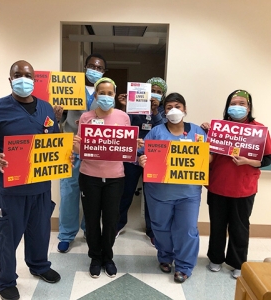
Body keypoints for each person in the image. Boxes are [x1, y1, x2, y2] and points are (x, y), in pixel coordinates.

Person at [0, 60, 61, 300]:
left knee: (40, 231)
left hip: (40, 187)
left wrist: (62, 132)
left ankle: (39, 265)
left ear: (34, 79)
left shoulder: (46, 108)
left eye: (28, 75)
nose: (24, 79)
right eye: (18, 75)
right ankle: (5, 280)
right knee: (7, 235)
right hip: (9, 187)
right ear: (10, 80)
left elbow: (53, 141)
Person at [139, 92, 207, 283]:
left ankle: (184, 266)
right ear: (164, 110)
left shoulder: (197, 132)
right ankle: (165, 257)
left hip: (188, 193)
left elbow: (207, 157)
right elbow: (142, 155)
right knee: (160, 227)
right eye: (169, 107)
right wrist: (141, 159)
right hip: (159, 192)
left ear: (185, 109)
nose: (173, 110)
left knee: (187, 229)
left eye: (177, 106)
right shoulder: (156, 132)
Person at [205, 90, 271, 279]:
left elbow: (267, 159)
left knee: (239, 227)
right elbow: (207, 155)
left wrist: (247, 161)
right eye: (233, 103)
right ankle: (215, 259)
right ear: (227, 107)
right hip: (218, 185)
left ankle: (237, 262)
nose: (238, 107)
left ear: (249, 107)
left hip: (244, 188)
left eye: (242, 103)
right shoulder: (218, 129)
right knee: (217, 225)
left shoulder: (259, 130)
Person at [73, 77, 130, 279]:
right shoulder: (86, 118)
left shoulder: (123, 117)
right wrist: (75, 144)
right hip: (89, 176)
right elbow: (81, 150)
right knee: (91, 218)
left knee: (111, 219)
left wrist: (134, 144)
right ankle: (95, 257)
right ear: (95, 95)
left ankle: (108, 257)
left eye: (110, 93)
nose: (106, 97)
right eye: (102, 93)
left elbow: (125, 147)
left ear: (115, 95)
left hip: (115, 177)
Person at [55, 53, 107, 253]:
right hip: (71, 148)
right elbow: (59, 122)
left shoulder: (104, 93)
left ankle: (88, 229)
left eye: (100, 68)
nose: (95, 70)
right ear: (85, 67)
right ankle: (66, 235)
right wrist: (57, 115)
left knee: (93, 193)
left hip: (94, 151)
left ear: (104, 72)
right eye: (92, 66)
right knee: (69, 193)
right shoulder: (71, 89)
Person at [116, 77, 167, 246]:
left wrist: (154, 113)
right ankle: (119, 224)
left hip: (153, 159)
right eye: (152, 90)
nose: (155, 94)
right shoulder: (134, 107)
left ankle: (151, 230)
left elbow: (163, 132)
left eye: (159, 92)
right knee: (125, 193)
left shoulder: (165, 113)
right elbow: (124, 127)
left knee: (152, 196)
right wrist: (124, 107)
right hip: (132, 158)